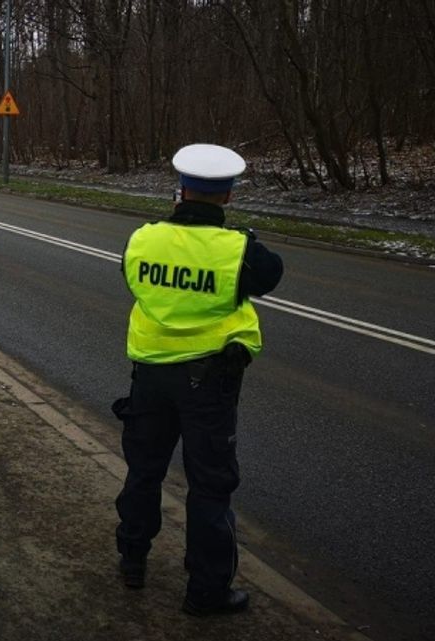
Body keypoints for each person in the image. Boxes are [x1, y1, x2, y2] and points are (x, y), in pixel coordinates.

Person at [113, 143, 283, 616]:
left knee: (144, 470)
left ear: (180, 189)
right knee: (210, 486)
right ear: (227, 197)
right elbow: (272, 276)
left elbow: (131, 277)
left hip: (149, 375)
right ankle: (206, 591)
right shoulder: (240, 252)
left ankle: (132, 559)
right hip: (209, 383)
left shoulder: (142, 239)